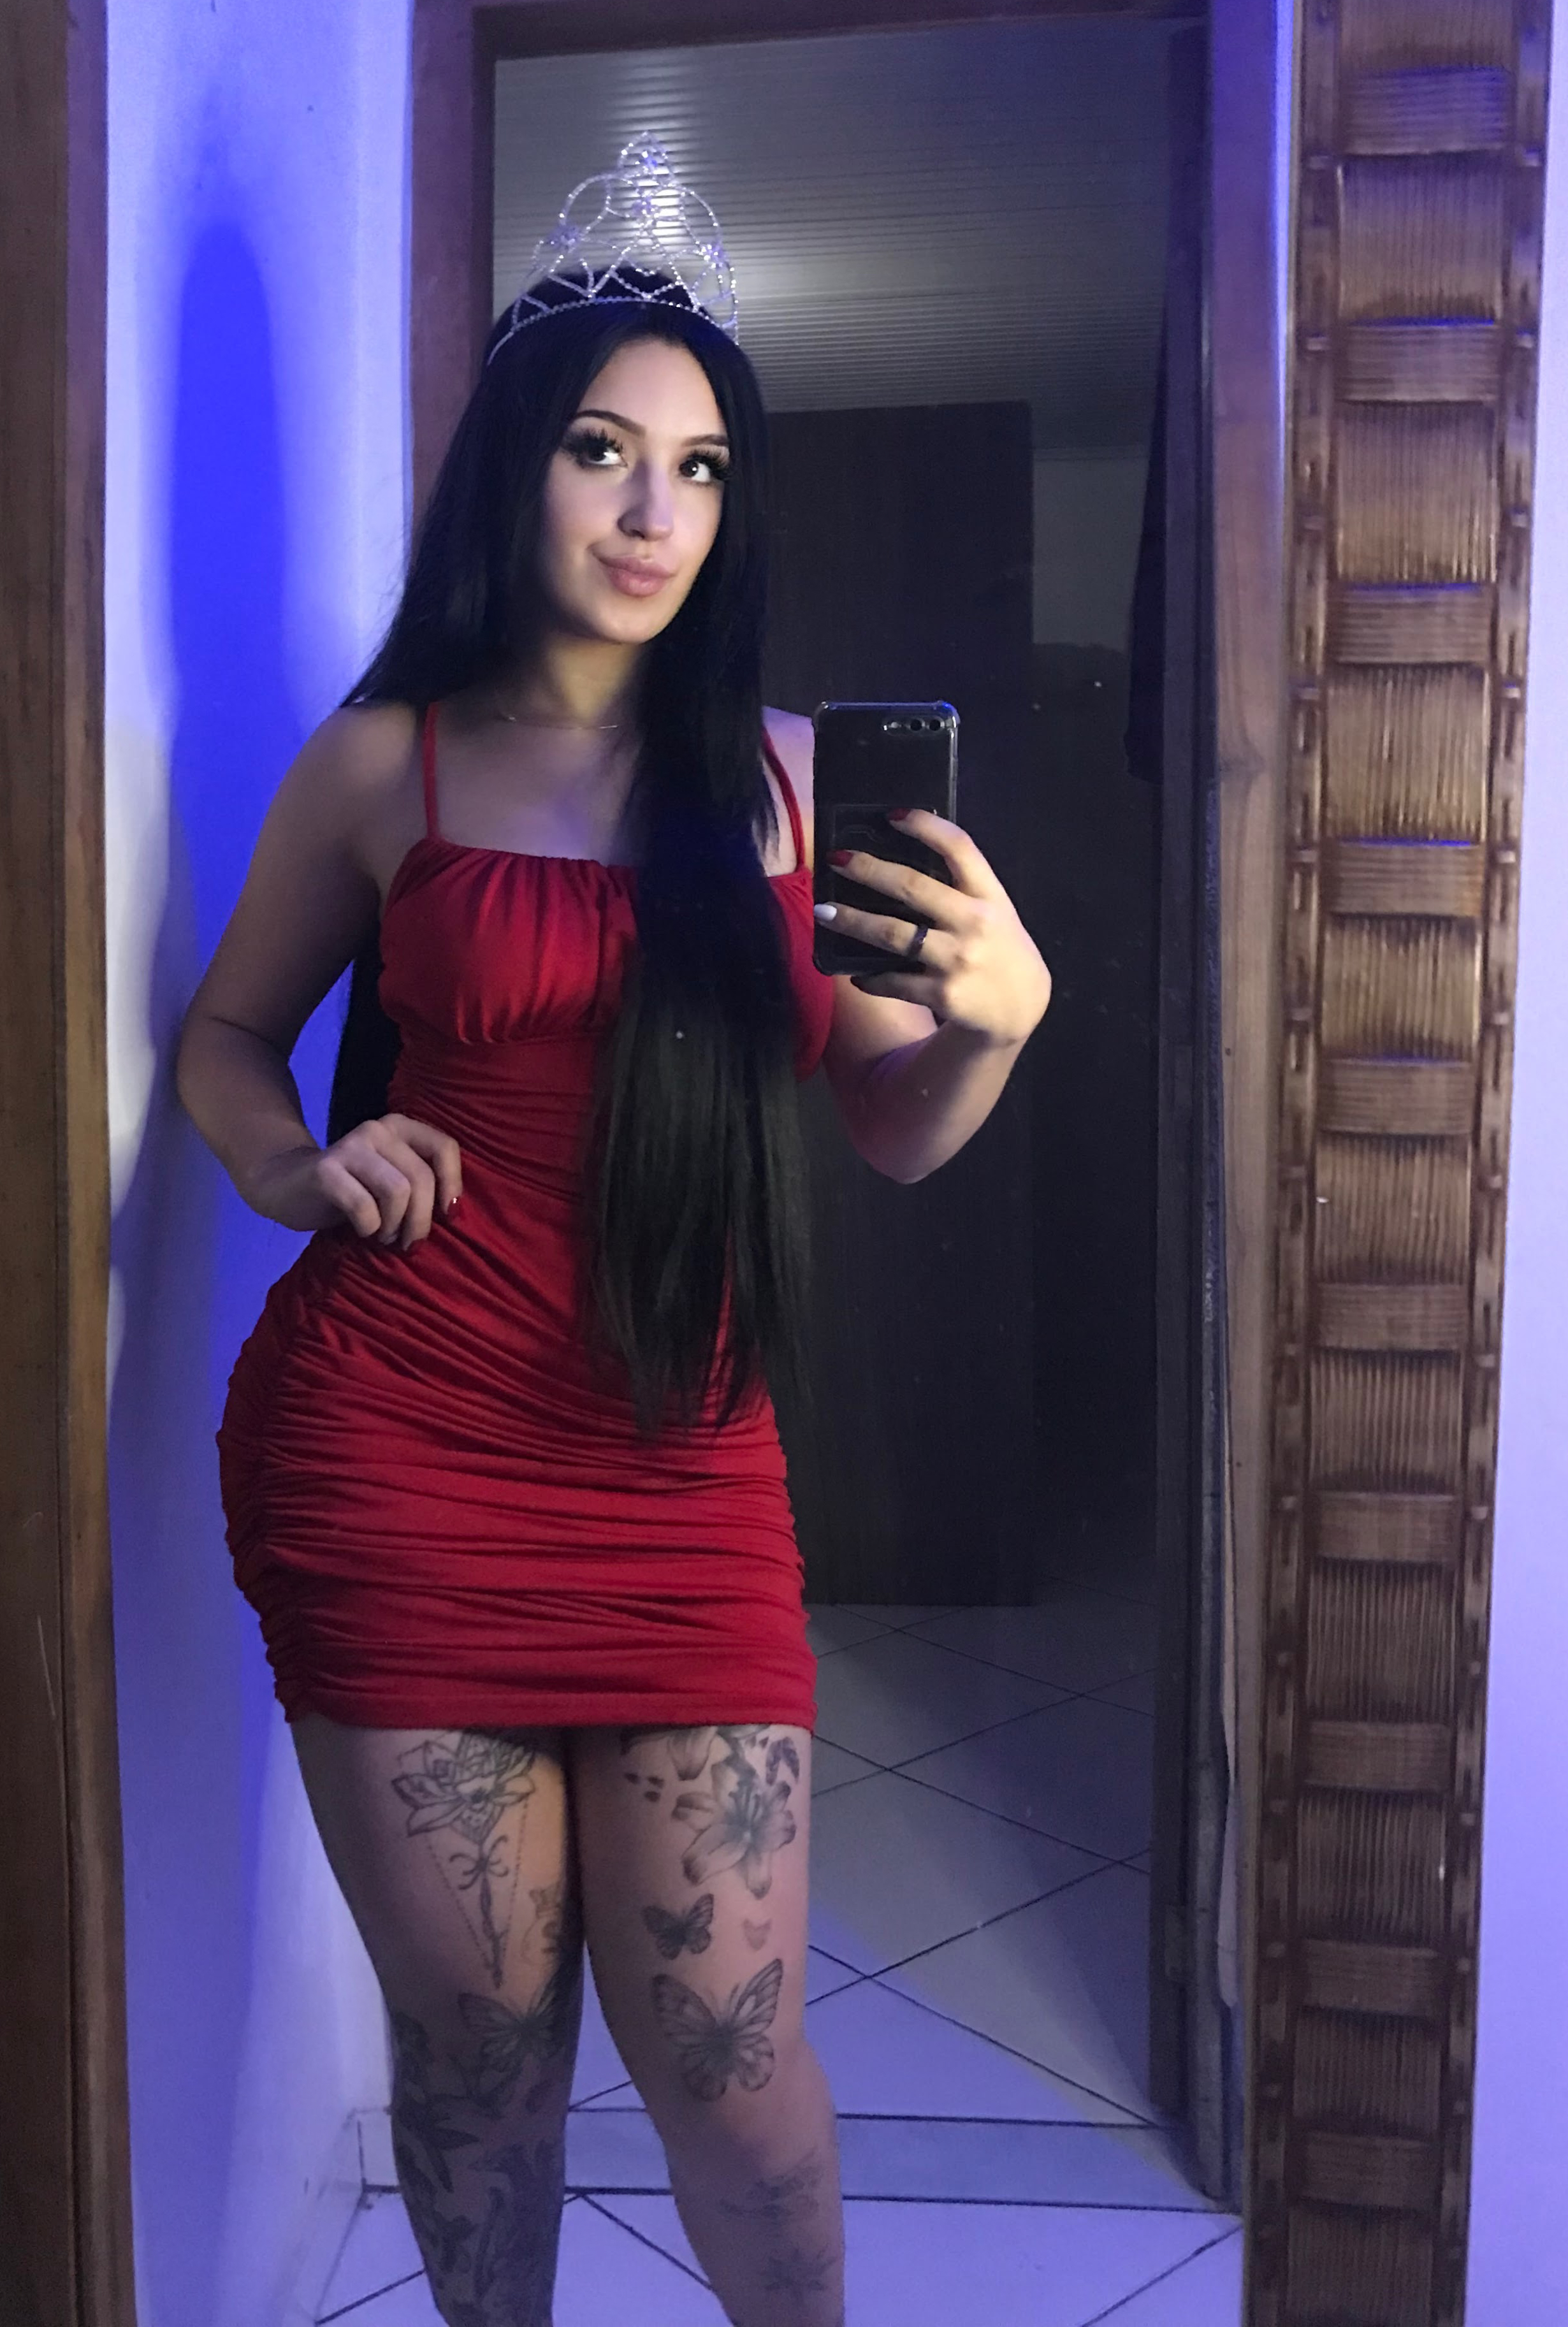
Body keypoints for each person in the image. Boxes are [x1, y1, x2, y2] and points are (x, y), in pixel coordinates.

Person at [177, 137, 1050, 2327]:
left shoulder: (790, 786)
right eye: (602, 453)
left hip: (682, 1468)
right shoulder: (383, 767)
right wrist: (291, 1169)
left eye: (700, 469)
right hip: (397, 1454)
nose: (655, 513)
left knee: (736, 2077)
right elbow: (226, 1037)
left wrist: (996, 1026)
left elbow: (897, 1134)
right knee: (481, 2053)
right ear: (516, 472)